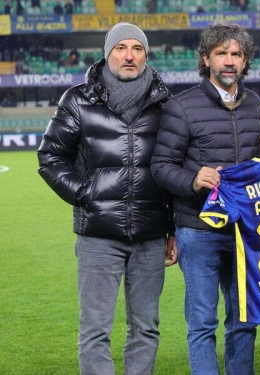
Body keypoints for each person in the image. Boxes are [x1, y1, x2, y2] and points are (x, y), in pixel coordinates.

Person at [150, 22, 260, 375]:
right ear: (206, 59)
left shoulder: (254, 103)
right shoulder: (181, 106)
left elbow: (257, 162)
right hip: (197, 229)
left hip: (245, 229)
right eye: (221, 54)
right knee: (202, 322)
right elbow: (160, 165)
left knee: (244, 319)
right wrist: (193, 179)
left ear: (245, 62)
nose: (229, 61)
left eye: (236, 54)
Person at [37, 22, 175, 375]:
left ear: (146, 54)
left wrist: (171, 229)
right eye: (120, 48)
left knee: (146, 328)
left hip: (150, 234)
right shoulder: (78, 99)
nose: (129, 56)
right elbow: (50, 158)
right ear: (107, 52)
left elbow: (174, 168)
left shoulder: (166, 103)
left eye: (137, 48)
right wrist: (85, 194)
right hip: (98, 235)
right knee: (95, 331)